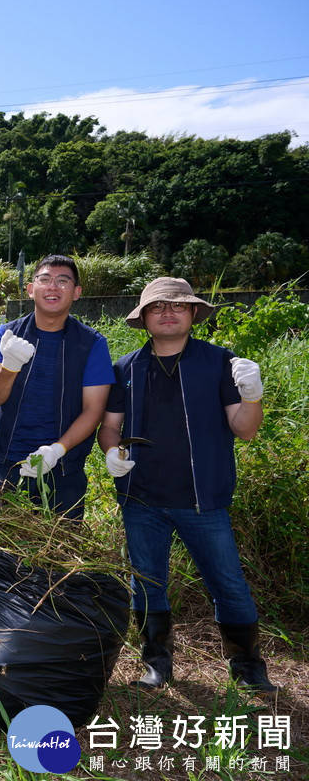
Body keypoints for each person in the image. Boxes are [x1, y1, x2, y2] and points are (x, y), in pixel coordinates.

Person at [98, 277, 276, 692]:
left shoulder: (219, 363)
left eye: (178, 306)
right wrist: (113, 452)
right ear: (143, 319)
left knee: (227, 581)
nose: (168, 312)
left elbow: (245, 430)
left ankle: (247, 664)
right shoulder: (126, 368)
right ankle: (157, 662)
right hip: (141, 498)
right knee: (147, 582)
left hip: (204, 499)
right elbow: (110, 427)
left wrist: (252, 396)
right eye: (157, 307)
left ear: (194, 313)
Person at [0, 254, 114, 520]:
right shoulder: (6, 335)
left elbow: (93, 409)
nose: (52, 287)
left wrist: (57, 450)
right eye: (45, 279)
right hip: (7, 463)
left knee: (60, 556)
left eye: (62, 281)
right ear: (31, 290)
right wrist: (10, 366)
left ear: (76, 293)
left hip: (64, 468)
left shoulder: (92, 344)